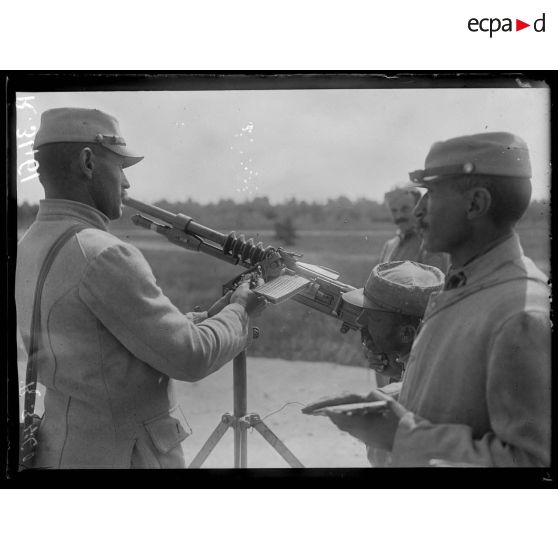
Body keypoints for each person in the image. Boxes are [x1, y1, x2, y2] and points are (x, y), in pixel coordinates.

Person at [16, 107, 266, 469]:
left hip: (61, 451)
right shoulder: (104, 254)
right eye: (120, 167)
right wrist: (240, 311)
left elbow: (101, 345)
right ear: (87, 162)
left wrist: (204, 317)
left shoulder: (30, 245)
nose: (127, 183)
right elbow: (191, 357)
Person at [318, 132, 551, 467]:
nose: (417, 209)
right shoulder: (468, 282)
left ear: (475, 204)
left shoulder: (520, 315)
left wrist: (399, 435)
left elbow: (532, 463)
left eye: (431, 193)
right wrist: (389, 399)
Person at [303, 260, 444, 466]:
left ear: (406, 333)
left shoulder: (431, 389)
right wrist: (397, 370)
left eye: (372, 318)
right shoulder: (430, 355)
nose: (360, 322)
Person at [379, 183, 450, 273]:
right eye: (394, 211)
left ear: (418, 208)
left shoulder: (431, 246)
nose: (399, 216)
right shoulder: (389, 246)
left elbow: (435, 284)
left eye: (405, 209)